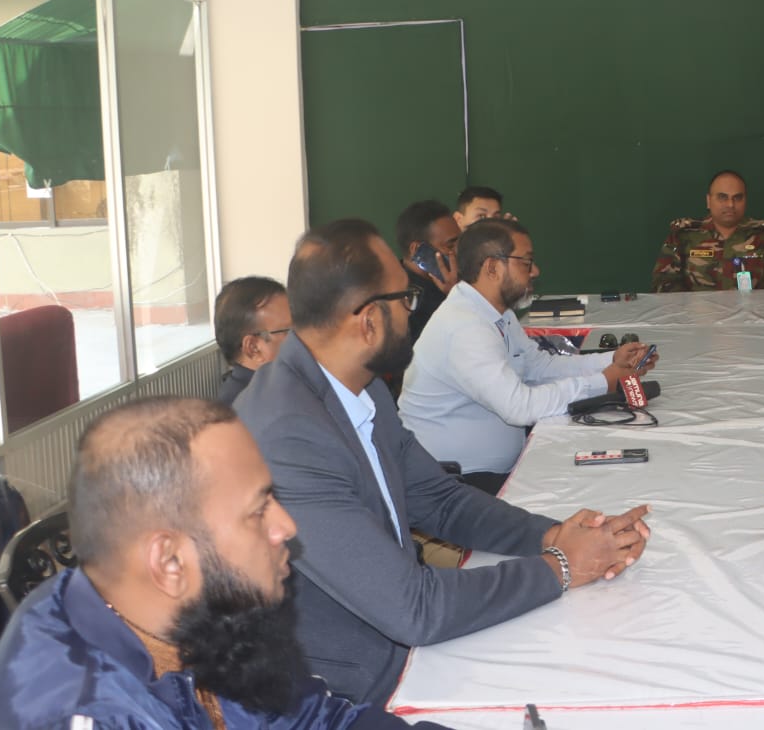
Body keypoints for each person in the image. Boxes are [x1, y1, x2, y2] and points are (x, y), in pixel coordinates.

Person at [234, 219, 650, 706]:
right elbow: (412, 608)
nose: (414, 312)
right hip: (346, 689)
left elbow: (439, 499)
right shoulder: (288, 435)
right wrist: (562, 566)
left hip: (401, 636)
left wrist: (553, 536)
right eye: (405, 299)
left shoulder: (360, 386)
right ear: (368, 320)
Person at [0, 396, 447, 729]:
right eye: (257, 511)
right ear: (170, 562)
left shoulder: (203, 612)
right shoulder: (84, 712)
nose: (286, 526)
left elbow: (316, 720)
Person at [400, 218, 657, 491]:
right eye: (526, 262)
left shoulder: (496, 312)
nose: (535, 271)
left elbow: (538, 367)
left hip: (494, 469)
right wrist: (604, 381)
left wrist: (610, 361)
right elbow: (520, 408)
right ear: (492, 268)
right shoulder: (465, 327)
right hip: (455, 483)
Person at [650, 169, 764, 291]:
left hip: (754, 317)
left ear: (745, 200)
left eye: (737, 198)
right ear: (708, 201)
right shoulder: (683, 235)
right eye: (722, 197)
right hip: (698, 318)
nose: (730, 204)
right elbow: (663, 283)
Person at [393, 199, 462, 346]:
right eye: (450, 245)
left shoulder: (457, 278)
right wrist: (456, 297)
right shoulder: (403, 303)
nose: (458, 251)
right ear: (417, 250)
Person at [214, 276, 291, 405]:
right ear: (253, 348)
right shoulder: (248, 406)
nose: (301, 337)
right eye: (288, 331)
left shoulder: (277, 384)